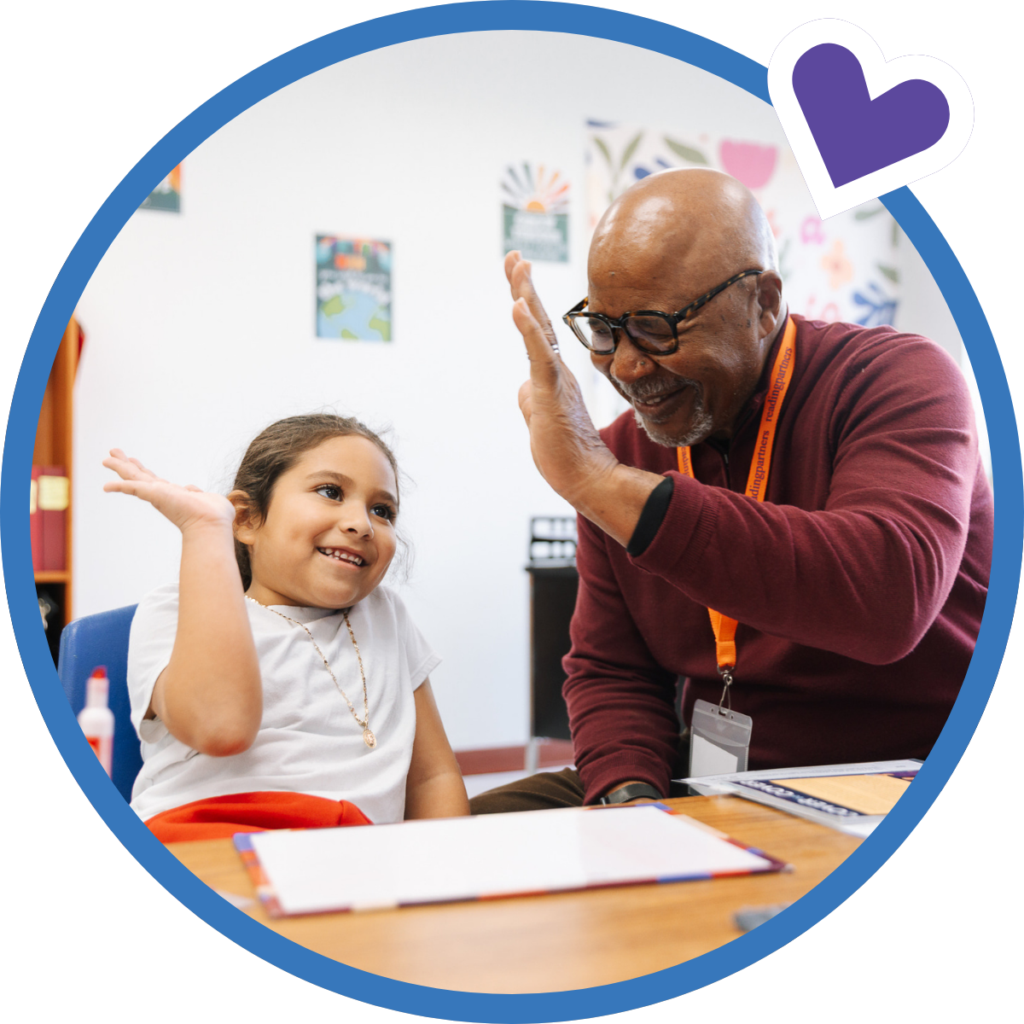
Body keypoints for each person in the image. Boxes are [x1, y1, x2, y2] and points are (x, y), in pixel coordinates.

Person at [472, 168, 992, 812]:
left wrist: (599, 482)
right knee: (472, 831)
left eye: (657, 327)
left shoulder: (897, 379)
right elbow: (613, 670)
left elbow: (889, 600)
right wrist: (630, 803)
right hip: (713, 775)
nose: (627, 367)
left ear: (764, 304)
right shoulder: (620, 452)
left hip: (901, 771)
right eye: (604, 331)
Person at [104, 413, 469, 840]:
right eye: (330, 492)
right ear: (247, 520)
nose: (362, 524)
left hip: (352, 852)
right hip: (203, 838)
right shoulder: (177, 608)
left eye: (382, 510)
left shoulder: (385, 615)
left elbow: (432, 777)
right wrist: (206, 532)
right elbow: (221, 728)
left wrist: (445, 863)